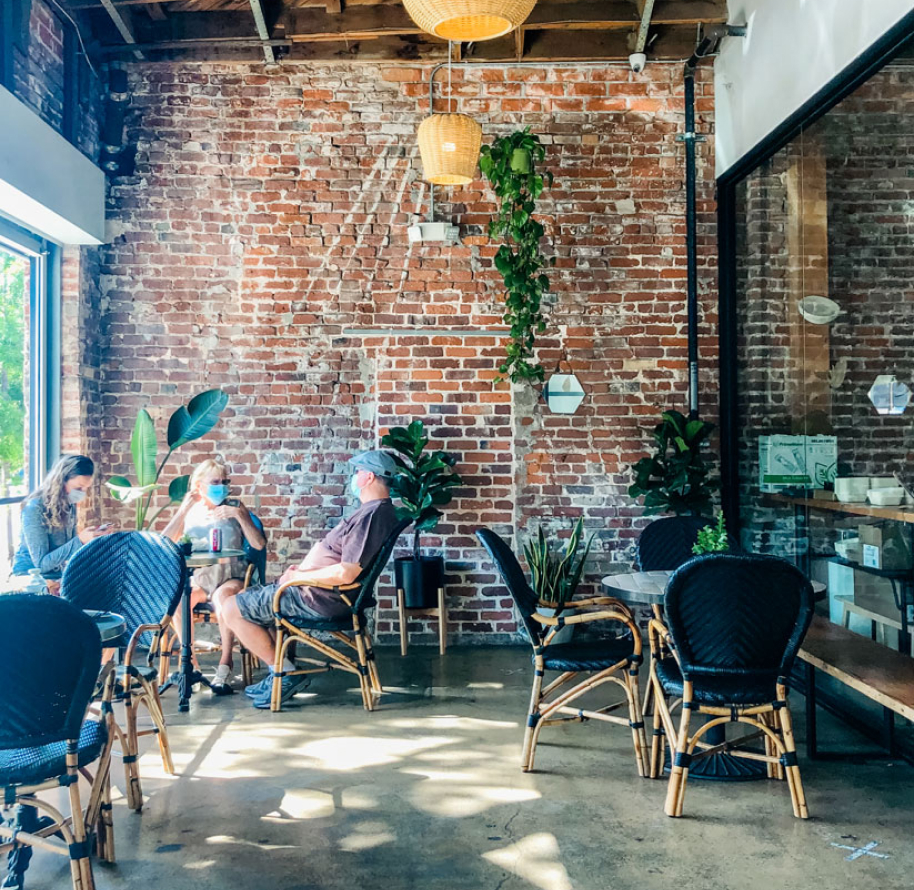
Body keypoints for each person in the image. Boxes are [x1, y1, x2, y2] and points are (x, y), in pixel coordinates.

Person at [217, 449, 400, 709]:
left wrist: (301, 576)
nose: (354, 476)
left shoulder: (371, 516)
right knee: (258, 603)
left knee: (231, 608)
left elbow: (346, 572)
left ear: (368, 477)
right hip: (316, 593)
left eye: (357, 472)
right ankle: (279, 674)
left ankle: (285, 672)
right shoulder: (375, 512)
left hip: (318, 598)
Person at [163, 458, 266, 692]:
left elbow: (258, 545)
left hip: (232, 575)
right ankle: (192, 666)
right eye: (215, 482)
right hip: (201, 577)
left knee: (223, 598)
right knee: (180, 601)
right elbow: (165, 543)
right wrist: (182, 510)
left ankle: (225, 662)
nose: (222, 486)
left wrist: (240, 515)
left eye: (225, 481)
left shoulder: (235, 507)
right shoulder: (191, 513)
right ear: (199, 486)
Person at [9, 454, 114, 594]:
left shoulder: (68, 506)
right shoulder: (34, 509)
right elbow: (41, 564)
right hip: (31, 579)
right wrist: (80, 540)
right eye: (79, 487)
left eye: (85, 488)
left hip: (57, 576)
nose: (82, 493)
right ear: (61, 481)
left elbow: (68, 551)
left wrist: (92, 539)